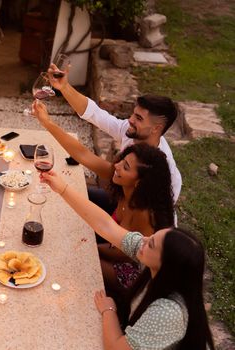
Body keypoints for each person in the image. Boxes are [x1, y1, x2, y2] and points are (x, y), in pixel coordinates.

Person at [40, 170, 214, 350]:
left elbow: (116, 348)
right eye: (151, 236)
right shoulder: (154, 262)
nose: (143, 239)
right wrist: (62, 188)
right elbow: (106, 226)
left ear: (167, 264)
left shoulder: (167, 312)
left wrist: (109, 310)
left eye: (151, 243)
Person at [32, 101, 174, 294]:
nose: (116, 166)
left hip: (135, 273)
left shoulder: (144, 213)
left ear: (139, 181)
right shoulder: (125, 186)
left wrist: (90, 247)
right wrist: (47, 122)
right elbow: (83, 154)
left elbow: (123, 253)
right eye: (121, 161)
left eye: (125, 167)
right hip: (114, 247)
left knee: (72, 262)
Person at [47, 63, 182, 209]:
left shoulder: (159, 169)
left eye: (139, 118)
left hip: (135, 219)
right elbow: (96, 114)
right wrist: (64, 87)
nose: (130, 120)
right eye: (133, 114)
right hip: (121, 201)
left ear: (157, 128)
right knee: (59, 195)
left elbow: (147, 221)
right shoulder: (133, 131)